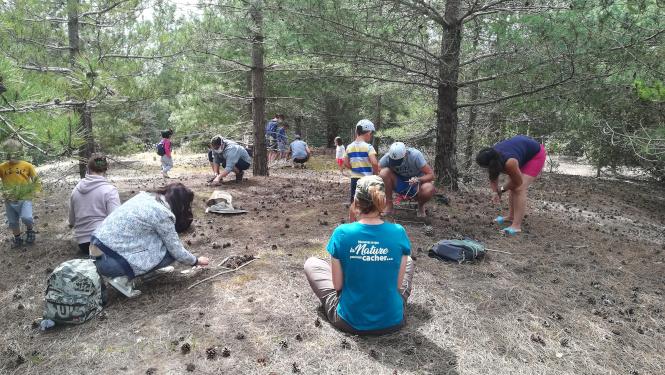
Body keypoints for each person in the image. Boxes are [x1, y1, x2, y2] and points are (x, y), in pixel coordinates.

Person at [304, 175, 415, 335]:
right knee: (408, 260)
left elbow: (338, 286)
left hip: (349, 321)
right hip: (393, 321)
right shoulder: (398, 232)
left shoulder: (342, 233)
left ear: (356, 201)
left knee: (312, 263)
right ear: (382, 202)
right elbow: (398, 286)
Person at [90, 183, 210, 298]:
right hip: (111, 263)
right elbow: (176, 251)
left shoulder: (145, 197)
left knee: (159, 241)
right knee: (169, 252)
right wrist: (196, 261)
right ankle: (122, 279)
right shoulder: (163, 213)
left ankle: (149, 271)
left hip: (97, 251)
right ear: (181, 204)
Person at [476, 134, 547, 235]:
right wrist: (494, 192)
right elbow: (493, 175)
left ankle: (516, 226)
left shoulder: (510, 163)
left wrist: (501, 190)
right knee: (513, 186)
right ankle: (511, 217)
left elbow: (518, 183)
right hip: (521, 152)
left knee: (519, 189)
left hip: (535, 155)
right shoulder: (492, 155)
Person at [68, 154, 121, 255]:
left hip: (83, 244)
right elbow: (116, 221)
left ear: (88, 168)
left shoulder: (75, 190)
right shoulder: (109, 190)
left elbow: (71, 221)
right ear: (105, 170)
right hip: (102, 242)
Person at [0, 139, 40, 247]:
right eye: (9, 153)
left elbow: (35, 179)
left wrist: (36, 190)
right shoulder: (2, 167)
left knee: (26, 217)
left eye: (14, 153)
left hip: (25, 197)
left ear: (19, 152)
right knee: (12, 221)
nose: (12, 156)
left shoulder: (27, 165)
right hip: (9, 199)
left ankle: (30, 230)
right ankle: (17, 238)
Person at [379, 142, 436, 217]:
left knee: (429, 188)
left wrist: (418, 179)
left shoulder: (415, 156)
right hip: (399, 182)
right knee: (384, 172)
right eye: (394, 161)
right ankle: (389, 204)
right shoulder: (387, 158)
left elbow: (431, 175)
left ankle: (421, 205)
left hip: (416, 184)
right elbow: (377, 169)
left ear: (405, 154)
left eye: (399, 161)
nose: (396, 164)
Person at [344, 119, 379, 221]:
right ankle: (369, 221)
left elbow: (345, 163)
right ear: (368, 133)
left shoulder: (349, 147)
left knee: (354, 201)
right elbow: (374, 163)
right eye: (371, 134)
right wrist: (375, 174)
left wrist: (354, 169)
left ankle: (351, 223)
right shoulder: (369, 147)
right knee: (370, 201)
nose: (371, 136)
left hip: (355, 178)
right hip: (367, 179)